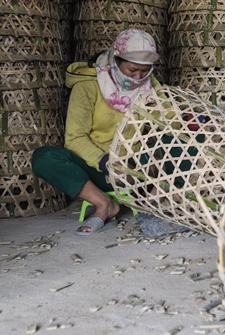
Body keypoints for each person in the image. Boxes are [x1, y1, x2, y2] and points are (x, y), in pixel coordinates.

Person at [32, 29, 161, 235]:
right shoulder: (87, 86)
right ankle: (104, 204)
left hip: (135, 168)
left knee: (189, 142)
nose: (138, 77)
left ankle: (154, 203)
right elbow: (75, 138)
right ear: (116, 60)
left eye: (145, 71)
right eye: (132, 70)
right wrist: (107, 163)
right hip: (100, 169)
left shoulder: (149, 86)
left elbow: (169, 116)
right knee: (44, 157)